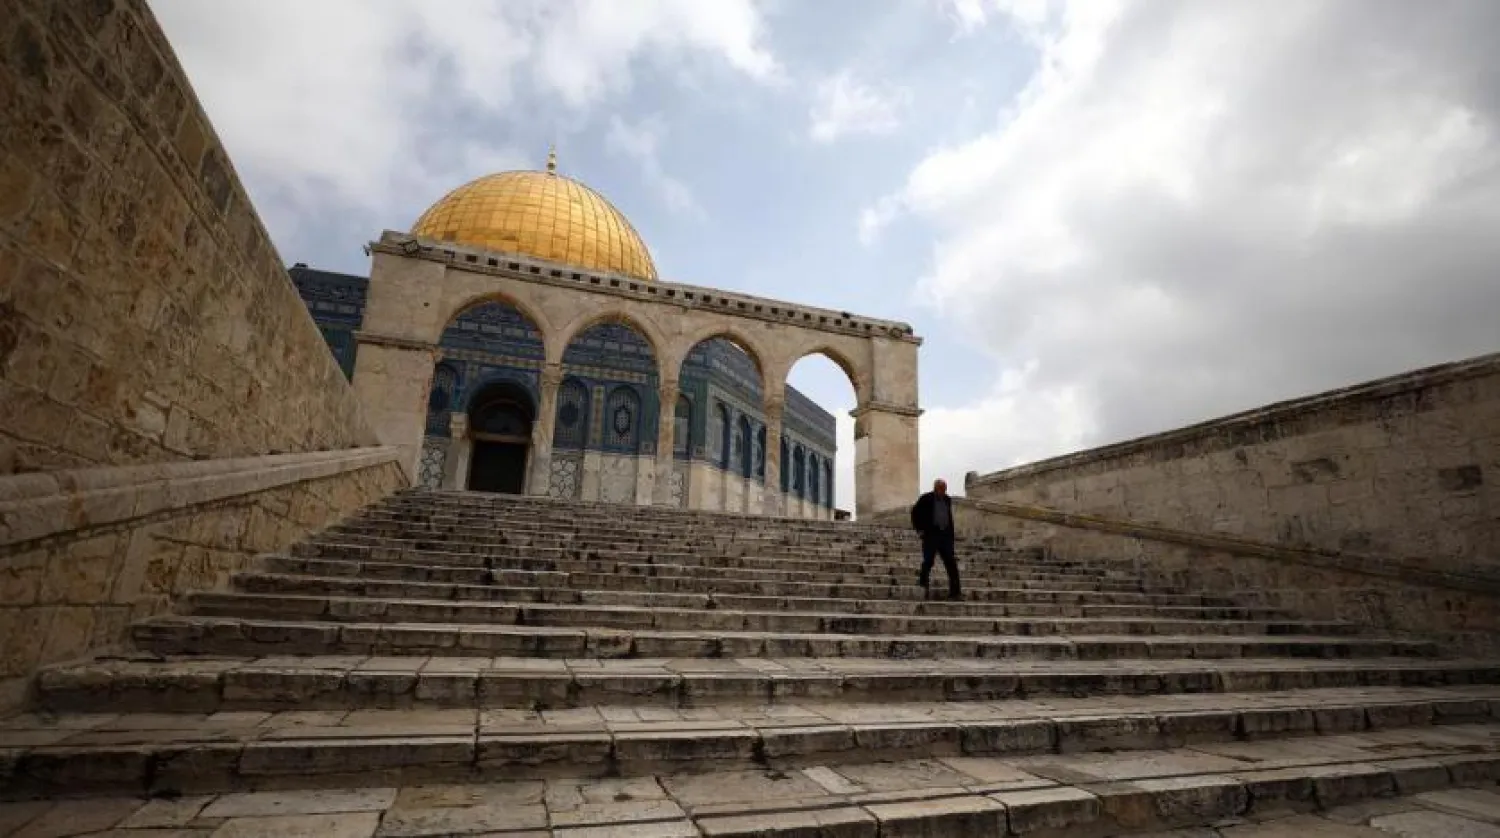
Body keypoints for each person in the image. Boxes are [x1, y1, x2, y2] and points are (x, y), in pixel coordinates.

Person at [909, 478, 961, 600]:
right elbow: (914, 513)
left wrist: (951, 536)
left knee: (951, 562)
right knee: (928, 561)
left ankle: (955, 592)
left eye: (945, 489)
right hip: (931, 534)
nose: (943, 491)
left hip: (945, 535)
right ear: (936, 488)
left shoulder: (947, 500)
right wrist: (920, 529)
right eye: (941, 488)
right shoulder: (926, 498)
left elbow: (949, 517)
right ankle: (923, 584)